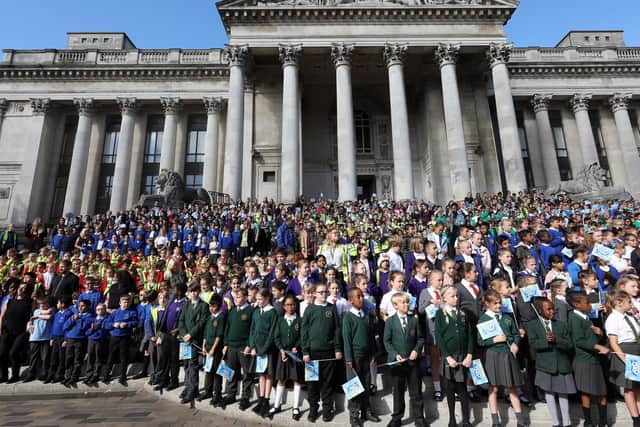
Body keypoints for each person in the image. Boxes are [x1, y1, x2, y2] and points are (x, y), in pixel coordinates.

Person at [477, 289, 528, 427]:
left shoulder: (507, 317)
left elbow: (516, 334)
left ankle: (520, 420)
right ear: (487, 304)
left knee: (512, 387)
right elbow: (480, 341)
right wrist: (494, 340)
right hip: (493, 355)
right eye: (495, 304)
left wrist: (516, 344)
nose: (498, 306)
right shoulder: (484, 319)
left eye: (500, 303)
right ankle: (495, 421)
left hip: (508, 355)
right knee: (493, 388)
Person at [525, 298, 575, 427]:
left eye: (553, 308)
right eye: (548, 309)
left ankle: (566, 422)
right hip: (545, 365)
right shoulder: (532, 325)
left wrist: (556, 340)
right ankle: (555, 422)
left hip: (562, 364)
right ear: (540, 311)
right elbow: (533, 344)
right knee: (549, 393)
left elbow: (569, 344)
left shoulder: (561, 324)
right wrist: (546, 342)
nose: (552, 311)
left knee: (563, 394)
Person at [567, 291, 610, 427]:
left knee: (601, 391)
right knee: (586, 392)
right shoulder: (574, 319)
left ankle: (602, 421)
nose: (590, 305)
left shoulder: (585, 318)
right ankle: (589, 421)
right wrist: (598, 346)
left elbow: (590, 338)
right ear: (576, 305)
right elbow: (578, 341)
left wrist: (600, 334)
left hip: (594, 359)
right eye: (587, 303)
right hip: (584, 361)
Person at [301, 282, 343, 423]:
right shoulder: (310, 309)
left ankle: (327, 410)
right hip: (312, 353)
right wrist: (305, 351)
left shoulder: (332, 308)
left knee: (327, 383)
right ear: (314, 294)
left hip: (328, 353)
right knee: (312, 384)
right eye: (320, 292)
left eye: (325, 292)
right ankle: (313, 410)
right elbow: (304, 331)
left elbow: (337, 330)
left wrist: (337, 349)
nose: (324, 294)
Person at [383, 292, 425, 427]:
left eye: (407, 302)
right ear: (395, 306)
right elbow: (387, 341)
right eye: (403, 302)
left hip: (413, 362)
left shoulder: (414, 320)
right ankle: (397, 418)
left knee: (416, 391)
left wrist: (416, 350)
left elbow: (420, 338)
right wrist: (395, 354)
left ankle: (419, 418)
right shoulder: (390, 321)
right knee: (398, 391)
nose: (406, 305)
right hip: (398, 364)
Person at [433, 285, 473, 427]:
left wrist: (469, 355)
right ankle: (452, 419)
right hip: (449, 357)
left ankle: (466, 419)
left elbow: (469, 335)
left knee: (462, 388)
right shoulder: (440, 314)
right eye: (452, 296)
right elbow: (439, 336)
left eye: (457, 296)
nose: (456, 298)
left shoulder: (463, 314)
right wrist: (447, 357)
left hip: (463, 356)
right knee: (450, 387)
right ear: (444, 298)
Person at [342, 287, 380, 427]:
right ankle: (354, 415)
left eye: (362, 296)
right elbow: (346, 340)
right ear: (351, 300)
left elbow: (370, 337)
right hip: (354, 358)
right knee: (354, 387)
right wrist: (348, 359)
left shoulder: (365, 316)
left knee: (366, 383)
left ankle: (366, 411)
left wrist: (372, 354)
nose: (361, 298)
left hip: (366, 356)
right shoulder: (348, 318)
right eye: (358, 296)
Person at [605, 290, 640, 427]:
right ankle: (635, 418)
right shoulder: (613, 319)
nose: (631, 304)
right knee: (629, 388)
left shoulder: (630, 316)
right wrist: (625, 360)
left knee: (638, 387)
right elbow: (613, 342)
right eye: (629, 301)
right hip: (625, 353)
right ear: (619, 303)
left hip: (636, 350)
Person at [222, 287, 255, 410]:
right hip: (231, 347)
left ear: (246, 297)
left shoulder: (251, 311)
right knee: (230, 372)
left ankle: (245, 398)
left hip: (243, 347)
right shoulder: (232, 311)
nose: (236, 300)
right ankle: (231, 394)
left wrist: (249, 345)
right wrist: (225, 344)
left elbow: (253, 331)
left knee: (247, 374)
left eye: (239, 297)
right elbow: (227, 328)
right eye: (235, 297)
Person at [270, 294, 303, 420]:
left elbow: (302, 336)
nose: (290, 307)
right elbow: (276, 337)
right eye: (288, 305)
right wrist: (281, 350)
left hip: (295, 354)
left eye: (293, 304)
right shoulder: (280, 320)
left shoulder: (299, 320)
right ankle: (277, 405)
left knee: (296, 379)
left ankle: (295, 407)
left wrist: (297, 346)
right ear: (284, 306)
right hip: (283, 354)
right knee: (281, 379)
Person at [249, 289, 279, 417]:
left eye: (261, 299)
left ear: (267, 298)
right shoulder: (256, 312)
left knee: (268, 375)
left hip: (268, 350)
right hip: (257, 350)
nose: (258, 302)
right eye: (257, 299)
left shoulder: (272, 313)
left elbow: (272, 333)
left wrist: (264, 349)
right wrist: (252, 346)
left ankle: (266, 400)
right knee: (261, 374)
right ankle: (260, 399)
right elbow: (252, 330)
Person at [178, 282, 209, 404]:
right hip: (185, 340)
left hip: (194, 339)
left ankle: (192, 389)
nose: (194, 293)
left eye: (196, 291)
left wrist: (191, 334)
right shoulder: (186, 305)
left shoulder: (203, 306)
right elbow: (181, 321)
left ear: (199, 292)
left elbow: (201, 322)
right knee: (186, 365)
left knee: (193, 365)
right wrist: (184, 334)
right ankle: (188, 386)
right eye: (191, 291)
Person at [418, 269, 444, 401]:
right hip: (432, 330)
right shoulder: (425, 292)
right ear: (431, 280)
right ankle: (437, 388)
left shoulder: (443, 292)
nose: (441, 282)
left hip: (445, 330)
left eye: (442, 280)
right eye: (438, 280)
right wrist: (430, 302)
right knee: (435, 360)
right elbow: (420, 310)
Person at [103, 295, 138, 386]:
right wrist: (114, 324)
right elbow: (107, 324)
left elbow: (136, 322)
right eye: (124, 302)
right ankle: (106, 374)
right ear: (120, 303)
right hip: (114, 336)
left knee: (124, 357)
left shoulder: (132, 312)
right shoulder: (114, 313)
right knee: (111, 356)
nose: (125, 304)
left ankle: (123, 375)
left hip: (125, 337)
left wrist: (126, 324)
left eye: (127, 302)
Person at [199, 293, 226, 405]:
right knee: (208, 370)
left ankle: (217, 394)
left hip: (216, 350)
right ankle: (208, 391)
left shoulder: (221, 317)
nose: (211, 308)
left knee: (216, 372)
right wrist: (203, 346)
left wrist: (213, 349)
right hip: (208, 347)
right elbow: (206, 333)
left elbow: (219, 335)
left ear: (219, 306)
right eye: (210, 306)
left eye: (214, 306)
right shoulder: (210, 317)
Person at [62, 299, 92, 386]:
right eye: (79, 305)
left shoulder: (89, 316)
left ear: (87, 306)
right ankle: (67, 377)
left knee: (77, 360)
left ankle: (74, 377)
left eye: (83, 306)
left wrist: (77, 319)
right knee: (68, 358)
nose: (80, 307)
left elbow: (82, 327)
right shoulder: (74, 315)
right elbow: (65, 326)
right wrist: (72, 319)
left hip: (80, 340)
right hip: (70, 339)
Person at [24, 298, 53, 382]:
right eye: (41, 304)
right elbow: (46, 314)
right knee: (33, 357)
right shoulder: (36, 311)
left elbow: (49, 316)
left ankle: (44, 374)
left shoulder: (51, 311)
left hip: (46, 337)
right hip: (35, 337)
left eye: (44, 304)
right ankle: (31, 374)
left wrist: (35, 317)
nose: (42, 306)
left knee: (45, 357)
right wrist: (34, 317)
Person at [46, 296, 72, 383]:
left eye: (58, 303)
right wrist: (51, 338)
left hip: (62, 338)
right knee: (54, 357)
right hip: (55, 338)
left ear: (63, 304)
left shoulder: (69, 313)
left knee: (61, 358)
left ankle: (59, 375)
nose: (57, 304)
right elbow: (54, 327)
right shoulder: (57, 314)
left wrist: (66, 339)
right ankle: (51, 375)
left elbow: (68, 328)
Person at [85, 303, 108, 386]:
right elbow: (87, 332)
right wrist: (93, 328)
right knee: (90, 356)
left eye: (102, 309)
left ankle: (96, 374)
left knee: (98, 357)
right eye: (98, 309)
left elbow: (104, 331)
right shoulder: (93, 319)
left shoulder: (106, 319)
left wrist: (98, 328)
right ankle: (89, 375)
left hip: (99, 340)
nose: (100, 311)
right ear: (96, 311)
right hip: (91, 340)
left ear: (105, 310)